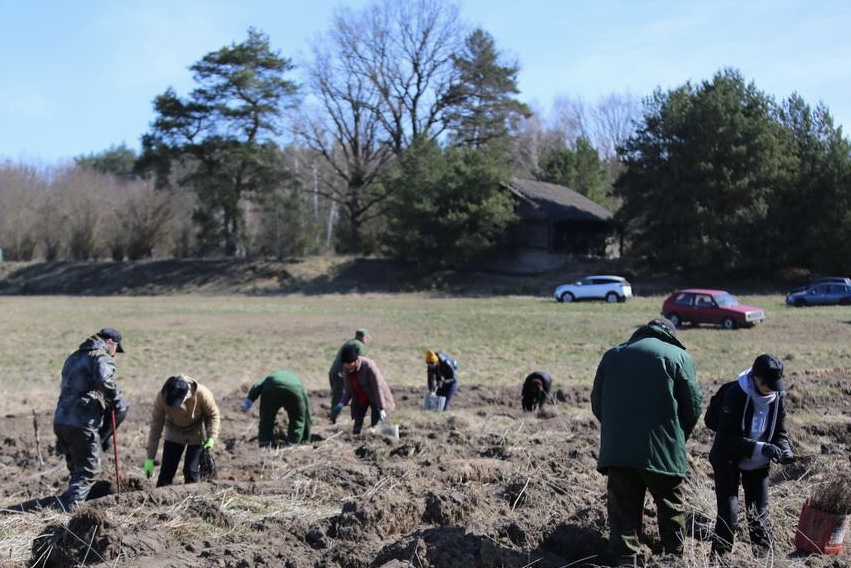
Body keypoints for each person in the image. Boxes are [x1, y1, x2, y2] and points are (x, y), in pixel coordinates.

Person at [591, 318, 703, 566]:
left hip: (619, 451)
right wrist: (677, 437)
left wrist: (618, 432)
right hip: (663, 450)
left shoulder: (612, 355)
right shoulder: (680, 357)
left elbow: (597, 402)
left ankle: (625, 559)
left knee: (622, 508)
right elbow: (693, 406)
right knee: (671, 506)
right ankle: (674, 557)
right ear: (670, 335)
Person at [708, 353, 794, 556]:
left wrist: (785, 450)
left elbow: (780, 433)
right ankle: (720, 560)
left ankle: (764, 560)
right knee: (728, 517)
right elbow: (727, 439)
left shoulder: (777, 396)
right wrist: (761, 448)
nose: (771, 389)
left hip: (758, 464)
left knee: (759, 517)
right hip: (728, 460)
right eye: (767, 384)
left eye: (775, 385)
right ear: (756, 377)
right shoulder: (735, 394)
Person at [53, 327, 128, 511]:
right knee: (89, 470)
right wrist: (116, 400)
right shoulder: (100, 357)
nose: (114, 354)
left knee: (76, 468)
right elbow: (105, 381)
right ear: (109, 342)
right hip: (82, 421)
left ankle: (69, 502)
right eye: (115, 349)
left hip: (62, 419)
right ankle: (71, 511)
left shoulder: (73, 357)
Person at [143, 374, 221, 487]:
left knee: (191, 470)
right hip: (173, 430)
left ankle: (193, 495)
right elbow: (156, 426)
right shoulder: (161, 397)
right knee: (167, 471)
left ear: (186, 396)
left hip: (196, 431)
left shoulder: (202, 394)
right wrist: (150, 458)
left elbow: (213, 415)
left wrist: (212, 437)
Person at [330, 344, 395, 434]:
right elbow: (348, 390)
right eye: (345, 364)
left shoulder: (368, 366)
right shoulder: (347, 369)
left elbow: (377, 388)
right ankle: (356, 438)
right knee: (357, 424)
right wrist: (341, 403)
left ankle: (377, 436)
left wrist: (381, 409)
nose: (347, 366)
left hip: (376, 397)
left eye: (349, 364)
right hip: (360, 398)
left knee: (375, 425)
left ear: (356, 361)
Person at [241, 370, 312, 447]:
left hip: (272, 387)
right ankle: (293, 443)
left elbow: (257, 385)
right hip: (294, 390)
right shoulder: (298, 381)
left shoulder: (269, 377)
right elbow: (306, 413)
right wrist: (306, 438)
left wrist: (248, 402)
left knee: (266, 418)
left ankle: (265, 442)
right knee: (297, 420)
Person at [328, 329, 370, 414]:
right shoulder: (359, 345)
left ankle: (334, 415)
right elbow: (360, 362)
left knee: (337, 396)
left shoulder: (349, 343)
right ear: (363, 337)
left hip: (334, 373)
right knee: (343, 396)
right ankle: (335, 416)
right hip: (342, 374)